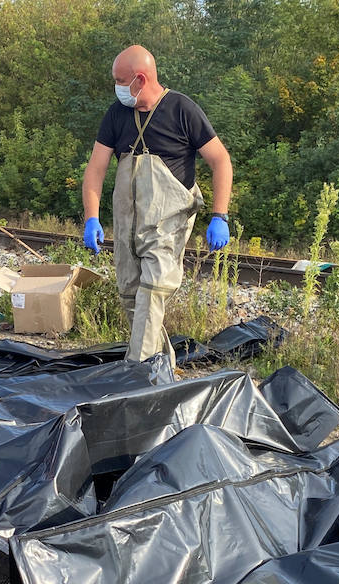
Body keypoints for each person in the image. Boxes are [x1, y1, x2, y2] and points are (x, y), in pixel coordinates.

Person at [81, 45, 233, 362]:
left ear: (139, 79)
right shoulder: (116, 114)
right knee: (132, 296)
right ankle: (160, 365)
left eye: (120, 80)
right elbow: (96, 168)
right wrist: (91, 217)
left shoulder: (182, 110)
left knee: (152, 294)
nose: (116, 87)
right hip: (128, 225)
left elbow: (220, 160)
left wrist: (220, 215)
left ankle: (137, 378)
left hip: (168, 225)